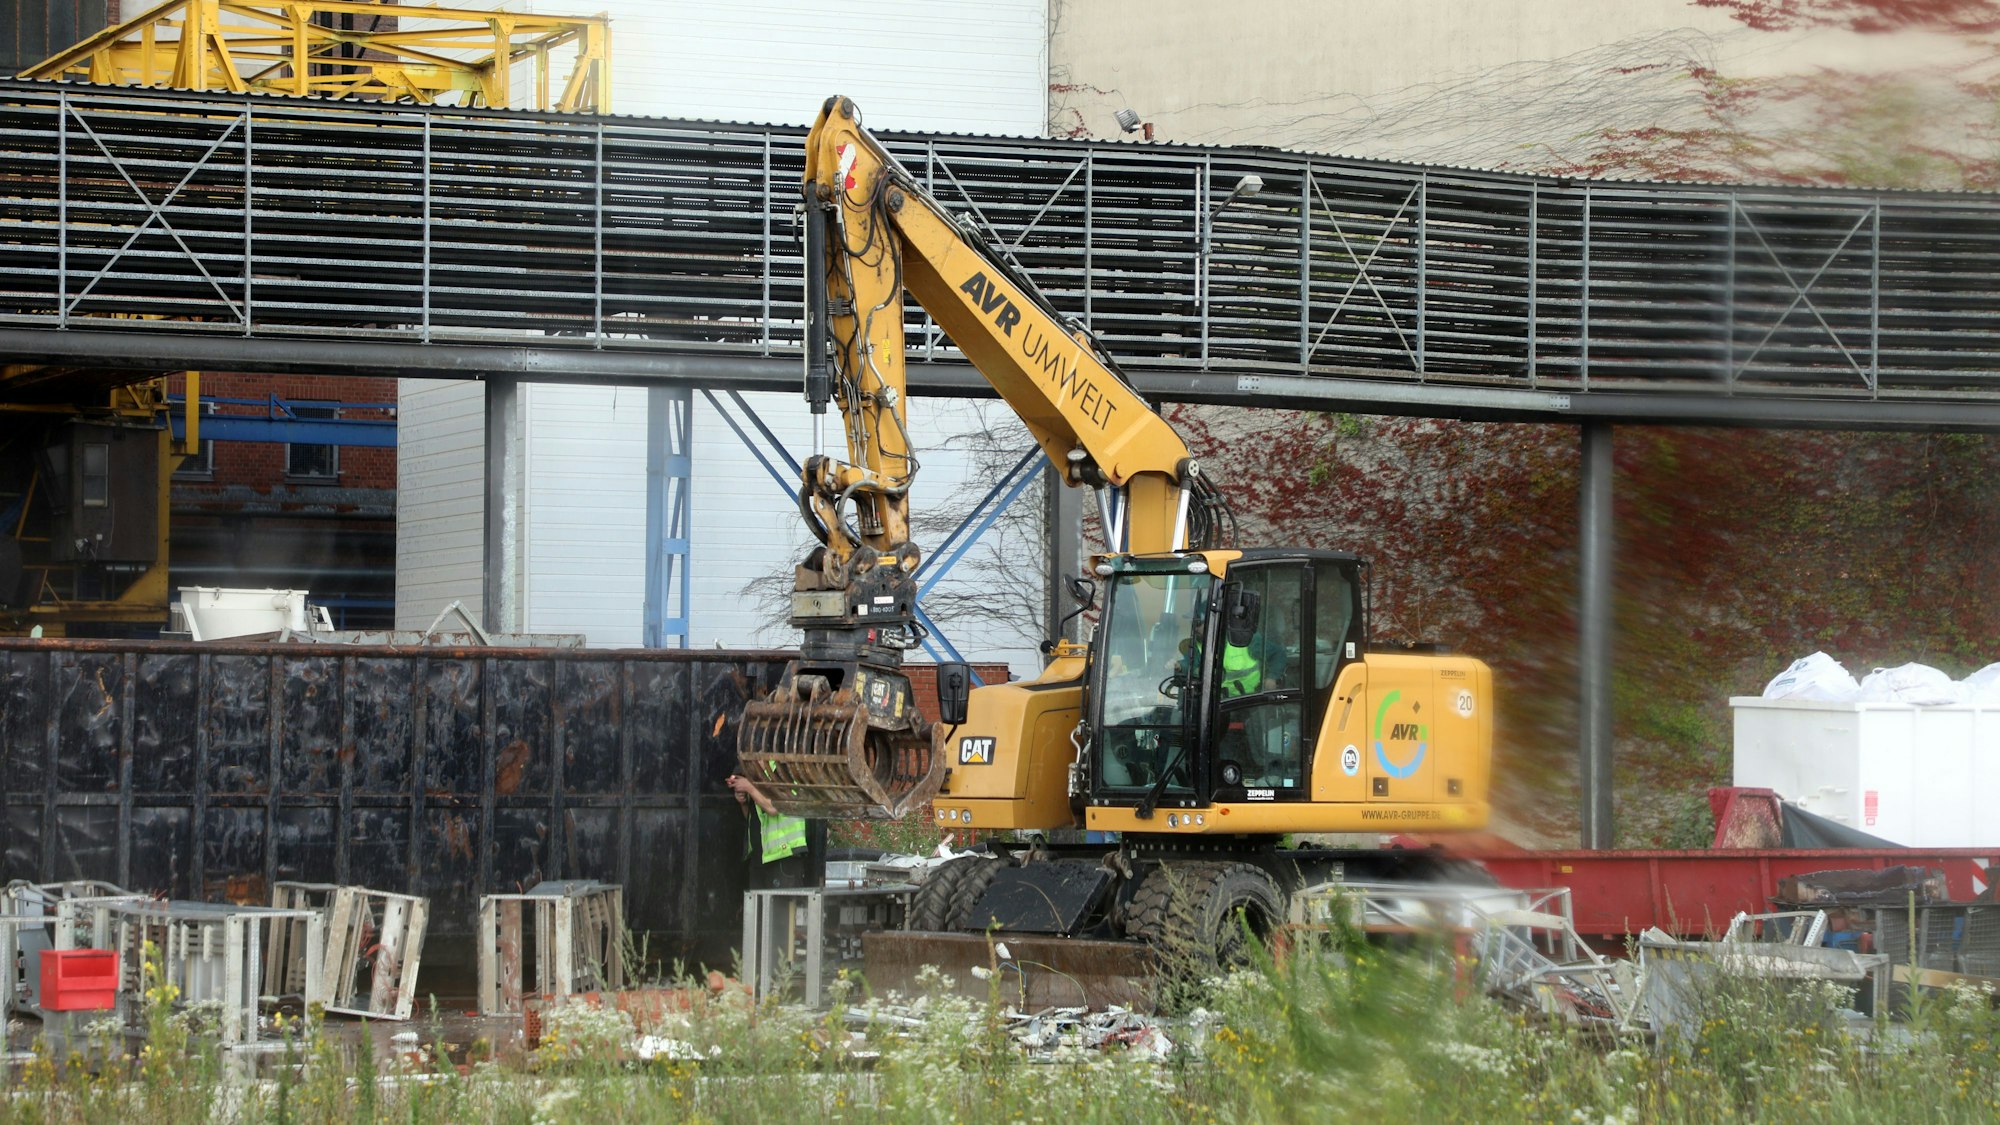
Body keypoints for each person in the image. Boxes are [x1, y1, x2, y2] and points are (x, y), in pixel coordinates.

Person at [727, 771, 813, 889]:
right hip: (760, 857)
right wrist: (744, 803)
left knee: (782, 901)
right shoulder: (755, 777)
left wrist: (749, 787)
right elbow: (752, 819)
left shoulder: (783, 771)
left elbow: (773, 808)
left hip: (784, 855)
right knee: (757, 900)